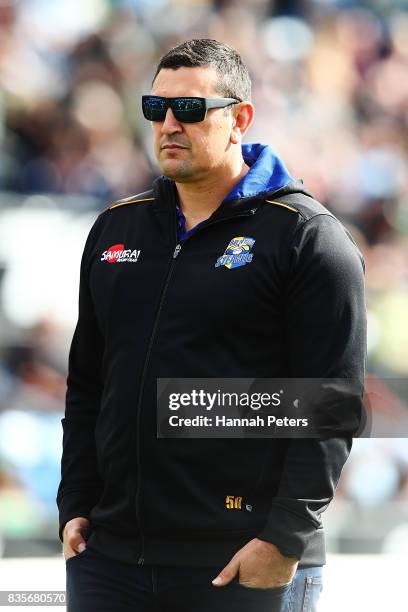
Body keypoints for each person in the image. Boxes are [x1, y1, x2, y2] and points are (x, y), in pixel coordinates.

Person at [57, 39, 367, 612]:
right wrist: (74, 499)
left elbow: (331, 406)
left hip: (241, 563)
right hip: (110, 559)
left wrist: (282, 540)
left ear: (239, 119)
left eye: (192, 109)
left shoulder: (306, 238)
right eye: (157, 108)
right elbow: (88, 385)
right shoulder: (113, 229)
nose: (170, 124)